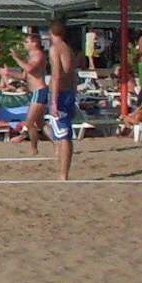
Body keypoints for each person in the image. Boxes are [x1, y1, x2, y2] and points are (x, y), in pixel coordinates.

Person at [41, 18, 78, 180]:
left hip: (61, 94)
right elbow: (73, 75)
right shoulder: (68, 49)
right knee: (64, 133)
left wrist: (54, 101)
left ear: (51, 33)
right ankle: (64, 172)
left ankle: (63, 174)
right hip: (69, 93)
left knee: (64, 136)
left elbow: (56, 75)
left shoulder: (55, 49)